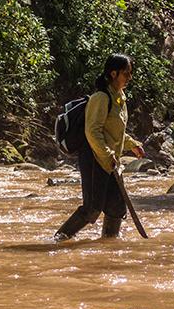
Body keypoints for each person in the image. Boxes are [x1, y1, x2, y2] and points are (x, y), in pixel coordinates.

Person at [54, 53, 145, 240]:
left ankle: (109, 245)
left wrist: (132, 145)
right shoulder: (101, 98)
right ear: (113, 74)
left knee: (116, 208)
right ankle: (58, 240)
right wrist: (107, 154)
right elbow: (92, 132)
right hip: (95, 158)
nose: (129, 77)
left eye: (130, 73)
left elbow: (115, 132)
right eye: (126, 73)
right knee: (92, 209)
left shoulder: (120, 97)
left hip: (111, 160)